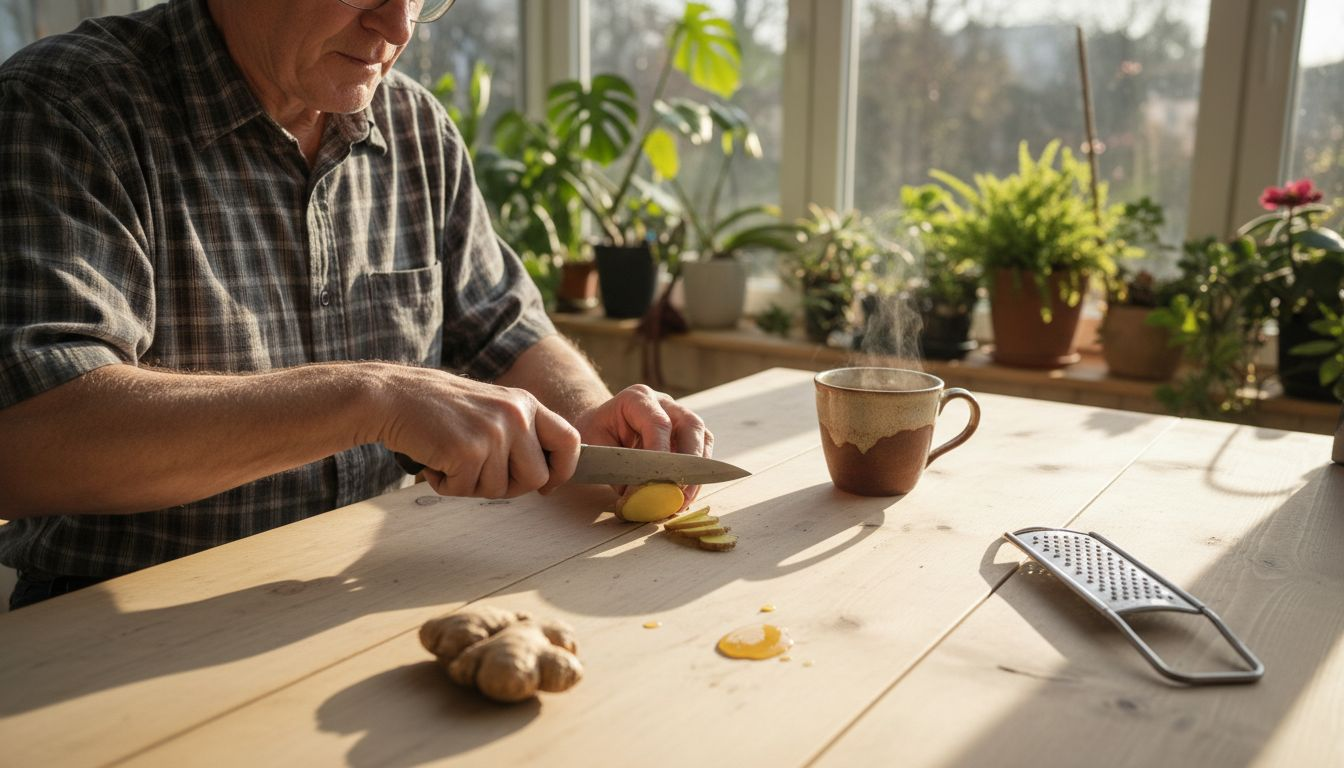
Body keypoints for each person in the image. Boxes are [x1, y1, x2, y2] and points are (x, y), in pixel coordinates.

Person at [0, 0, 711, 610]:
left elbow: (503, 328)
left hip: (369, 596)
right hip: (119, 630)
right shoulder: (66, 107)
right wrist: (370, 398)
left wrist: (588, 421)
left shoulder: (415, 129)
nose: (397, 24)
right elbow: (28, 440)